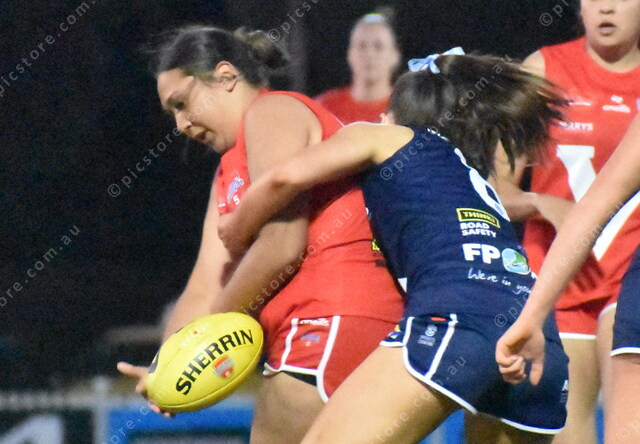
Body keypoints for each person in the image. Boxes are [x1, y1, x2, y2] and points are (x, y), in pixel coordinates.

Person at [218, 49, 569, 443]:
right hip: (539, 341)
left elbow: (284, 178)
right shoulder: (474, 180)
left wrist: (237, 224)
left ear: (391, 116)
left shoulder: (387, 136)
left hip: (460, 321)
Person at [116, 25, 404, 444]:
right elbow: (207, 280)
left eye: (182, 103)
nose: (180, 123)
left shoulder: (273, 112)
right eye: (171, 113)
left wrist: (202, 342)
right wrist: (167, 365)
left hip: (335, 316)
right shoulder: (227, 171)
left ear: (226, 77)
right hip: (308, 328)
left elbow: (282, 245)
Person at [493, 1, 640, 441]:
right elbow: (492, 189)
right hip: (559, 282)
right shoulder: (544, 69)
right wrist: (541, 202)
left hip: (629, 277)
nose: (606, 7)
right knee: (567, 433)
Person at [315, 10, 401, 124]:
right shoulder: (323, 108)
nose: (369, 54)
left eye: (378, 46)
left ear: (395, 56)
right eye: (361, 46)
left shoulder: (406, 109)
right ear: (349, 54)